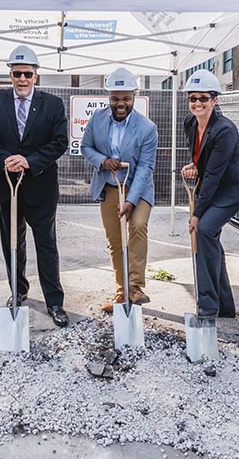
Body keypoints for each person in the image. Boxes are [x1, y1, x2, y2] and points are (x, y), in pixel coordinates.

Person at [0, 45, 70, 327]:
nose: (21, 79)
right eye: (16, 73)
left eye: (27, 74)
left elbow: (59, 142)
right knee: (12, 244)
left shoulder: (52, 104)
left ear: (36, 75)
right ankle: (17, 292)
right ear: (10, 75)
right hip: (7, 185)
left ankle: (54, 301)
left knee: (46, 244)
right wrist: (7, 160)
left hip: (40, 187)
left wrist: (28, 161)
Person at [81, 67, 158, 313]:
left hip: (137, 185)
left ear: (134, 97)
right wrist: (103, 161)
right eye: (115, 98)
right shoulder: (97, 120)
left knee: (136, 226)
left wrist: (131, 200)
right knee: (115, 240)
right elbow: (86, 147)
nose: (120, 103)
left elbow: (146, 167)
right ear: (109, 98)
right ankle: (121, 291)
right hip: (110, 184)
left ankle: (135, 287)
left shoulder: (147, 128)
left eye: (126, 98)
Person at [181, 69, 239, 319]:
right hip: (212, 187)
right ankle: (225, 307)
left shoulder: (225, 130)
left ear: (215, 100)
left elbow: (214, 175)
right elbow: (203, 162)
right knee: (210, 242)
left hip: (230, 191)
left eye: (203, 98)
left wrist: (197, 213)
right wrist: (194, 165)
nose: (197, 103)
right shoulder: (190, 122)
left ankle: (207, 306)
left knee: (205, 231)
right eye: (193, 98)